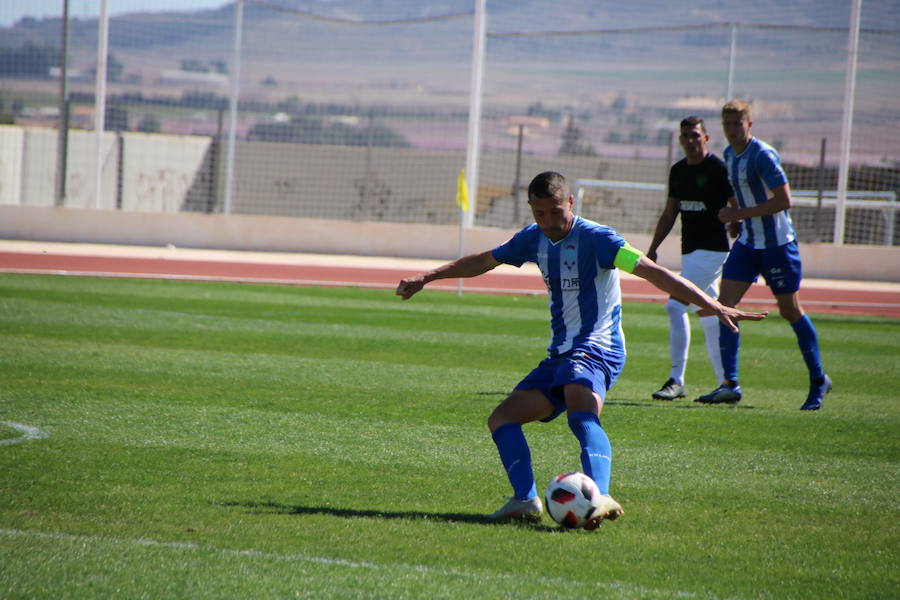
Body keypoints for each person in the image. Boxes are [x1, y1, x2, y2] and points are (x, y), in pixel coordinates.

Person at [395, 171, 766, 528]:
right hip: (561, 352)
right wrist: (427, 277)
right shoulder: (532, 238)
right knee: (502, 419)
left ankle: (599, 496)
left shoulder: (598, 239)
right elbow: (483, 261)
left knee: (580, 411)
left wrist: (714, 305)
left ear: (570, 202)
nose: (548, 221)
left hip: (598, 345)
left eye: (556, 211)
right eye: (539, 213)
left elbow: (652, 271)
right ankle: (525, 500)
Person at [695, 100, 831, 410]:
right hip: (748, 243)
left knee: (790, 311)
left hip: (778, 246)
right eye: (727, 124)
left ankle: (819, 378)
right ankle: (730, 383)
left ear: (749, 125)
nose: (731, 130)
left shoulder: (763, 155)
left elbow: (784, 200)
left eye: (737, 124)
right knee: (724, 306)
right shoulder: (730, 154)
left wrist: (739, 213)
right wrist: (736, 219)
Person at [646, 116, 738, 401]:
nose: (690, 140)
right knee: (709, 315)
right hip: (691, 252)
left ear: (706, 138)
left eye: (695, 135)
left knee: (676, 306)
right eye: (685, 135)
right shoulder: (678, 171)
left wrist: (737, 223)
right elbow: (670, 212)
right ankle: (727, 383)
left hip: (714, 251)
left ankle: (676, 379)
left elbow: (737, 205)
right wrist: (653, 248)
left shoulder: (718, 169)